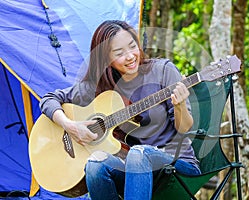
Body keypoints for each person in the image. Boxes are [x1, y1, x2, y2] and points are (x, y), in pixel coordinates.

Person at [39, 20, 201, 200]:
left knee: (139, 153)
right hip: (133, 175)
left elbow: (184, 128)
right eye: (119, 53)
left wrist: (179, 106)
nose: (131, 56)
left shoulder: (163, 70)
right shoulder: (99, 86)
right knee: (95, 163)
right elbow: (49, 99)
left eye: (133, 46)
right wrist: (70, 126)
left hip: (176, 166)